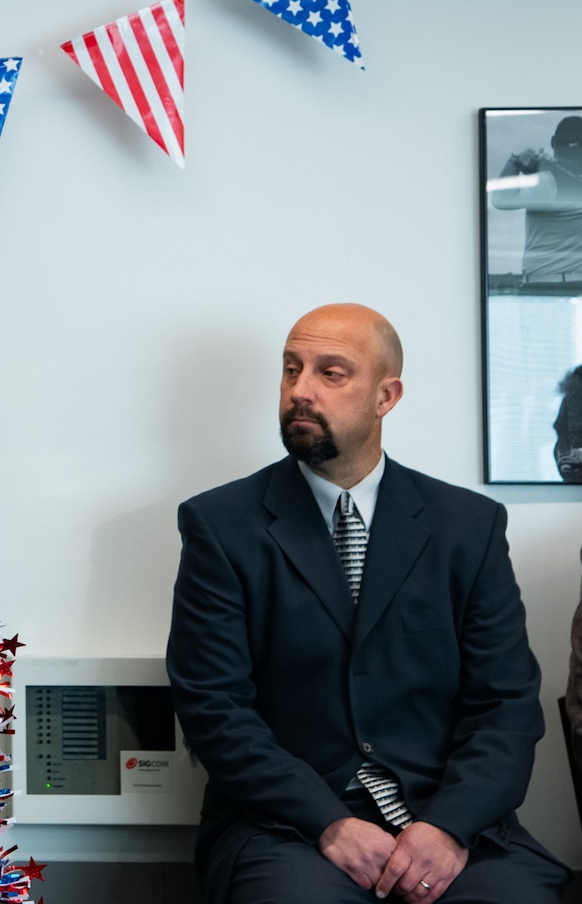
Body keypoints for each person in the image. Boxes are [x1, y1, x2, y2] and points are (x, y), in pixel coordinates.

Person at [166, 304, 568, 904]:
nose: (300, 390)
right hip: (288, 827)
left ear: (387, 396)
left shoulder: (469, 526)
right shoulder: (221, 525)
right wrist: (329, 824)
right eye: (291, 369)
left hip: (449, 819)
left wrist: (447, 827)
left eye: (331, 373)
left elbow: (505, 704)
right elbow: (214, 708)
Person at [489, 115, 582, 283]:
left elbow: (499, 199)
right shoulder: (551, 180)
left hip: (545, 284)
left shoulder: (547, 181)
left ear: (553, 143)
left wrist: (516, 161)